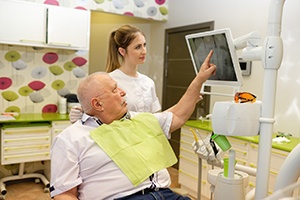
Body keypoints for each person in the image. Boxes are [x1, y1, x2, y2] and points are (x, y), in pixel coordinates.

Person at [50, 50, 216, 200]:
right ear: (98, 104)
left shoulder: (139, 120)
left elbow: (178, 115)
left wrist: (200, 78)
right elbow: (64, 194)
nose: (123, 92)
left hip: (166, 194)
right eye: (115, 90)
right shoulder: (71, 139)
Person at [69, 25, 161, 123]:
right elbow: (96, 111)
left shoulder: (148, 82)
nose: (144, 51)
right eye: (138, 47)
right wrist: (81, 113)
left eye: (144, 45)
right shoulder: (110, 81)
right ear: (122, 51)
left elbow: (155, 115)